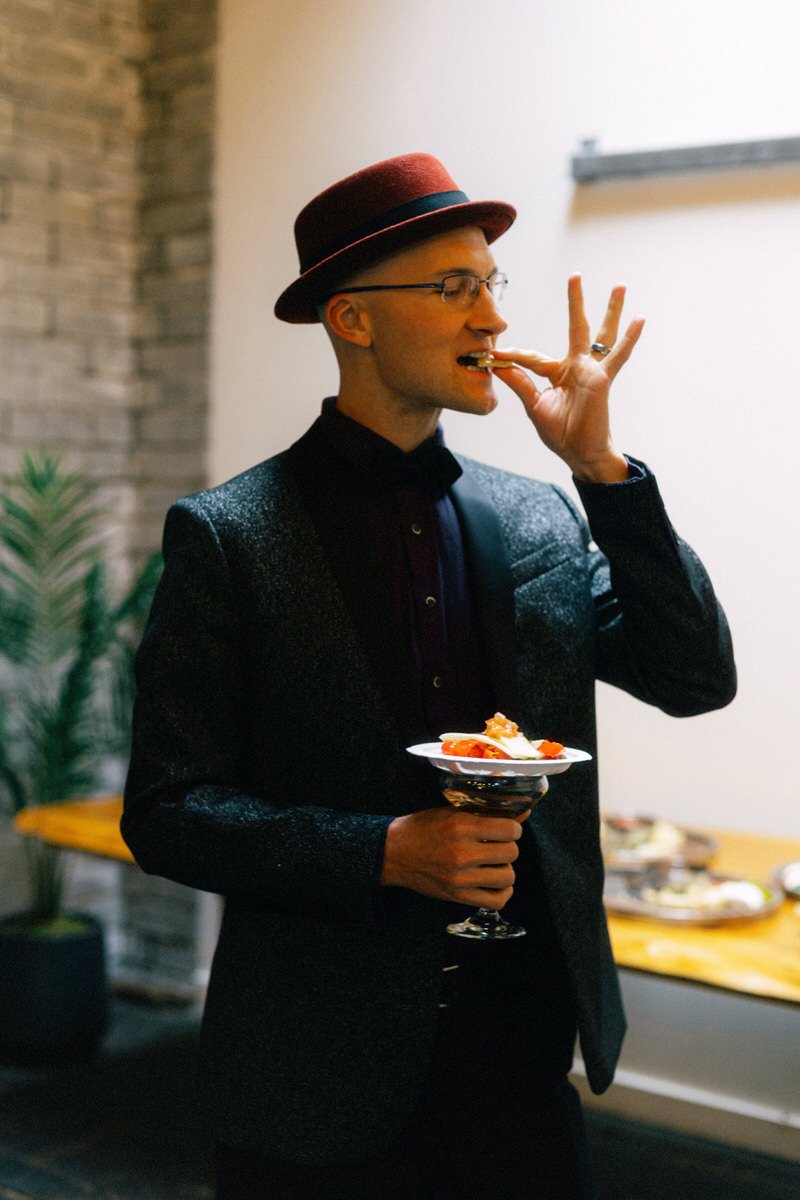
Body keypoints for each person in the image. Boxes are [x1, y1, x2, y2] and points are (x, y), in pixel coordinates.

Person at [122, 153, 736, 1200]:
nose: (492, 319)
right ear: (352, 320)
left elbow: (690, 677)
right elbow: (169, 812)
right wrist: (385, 853)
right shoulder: (228, 537)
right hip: (313, 1072)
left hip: (522, 1055)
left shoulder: (540, 515)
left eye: (492, 285)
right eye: (454, 289)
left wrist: (603, 476)